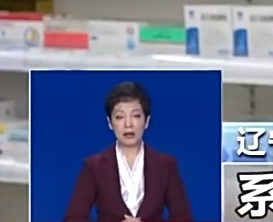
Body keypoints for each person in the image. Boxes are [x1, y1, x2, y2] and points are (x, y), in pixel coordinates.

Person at [63, 81, 193, 222]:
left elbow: (184, 218)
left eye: (136, 116)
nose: (128, 124)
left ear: (147, 121)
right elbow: (73, 219)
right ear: (109, 123)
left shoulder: (166, 165)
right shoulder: (94, 167)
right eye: (120, 117)